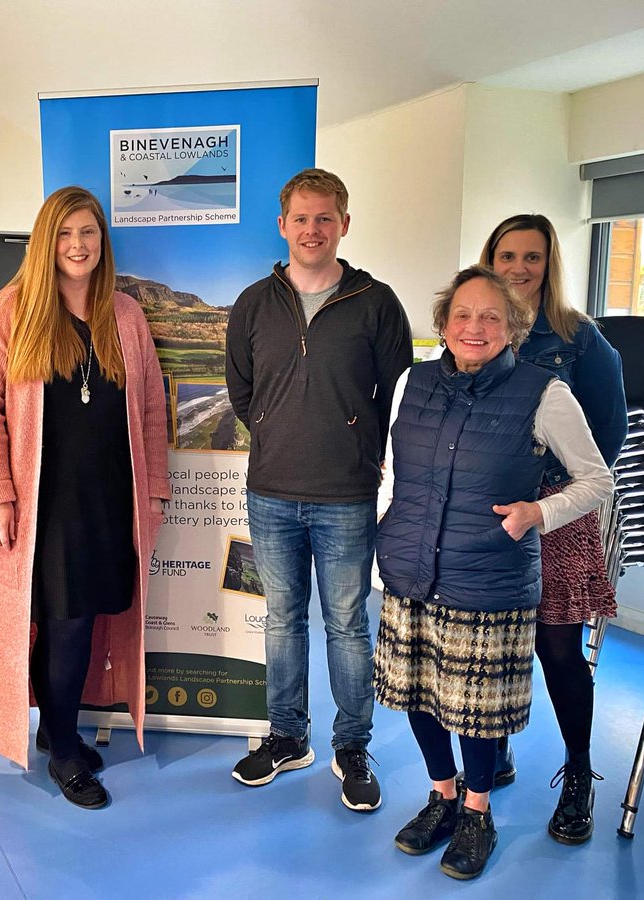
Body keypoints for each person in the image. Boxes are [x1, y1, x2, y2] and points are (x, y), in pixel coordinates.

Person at [374, 266, 613, 880]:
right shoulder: (412, 382)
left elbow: (597, 480)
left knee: (475, 708)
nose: (473, 327)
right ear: (443, 324)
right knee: (418, 693)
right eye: (462, 314)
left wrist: (539, 513)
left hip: (488, 574)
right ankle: (443, 797)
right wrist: (386, 531)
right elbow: (395, 471)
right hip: (409, 566)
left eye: (490, 317)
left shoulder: (544, 392)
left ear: (513, 327)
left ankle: (478, 813)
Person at [0, 185, 169, 810]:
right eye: (64, 233)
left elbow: (151, 409)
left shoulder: (124, 315)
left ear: (102, 240)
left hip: (110, 499)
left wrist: (154, 489)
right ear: (45, 241)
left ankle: (59, 731)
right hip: (44, 506)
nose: (77, 245)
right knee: (64, 623)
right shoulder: (13, 310)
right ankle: (63, 753)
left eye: (88, 232)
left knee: (91, 616)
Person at [225, 168, 412, 811]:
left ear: (344, 224)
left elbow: (398, 394)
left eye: (324, 218)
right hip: (271, 492)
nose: (312, 230)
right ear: (282, 225)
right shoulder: (254, 303)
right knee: (282, 620)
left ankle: (352, 746)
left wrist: (361, 447)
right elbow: (242, 391)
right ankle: (287, 737)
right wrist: (276, 431)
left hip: (346, 495)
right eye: (301, 219)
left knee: (347, 626)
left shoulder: (376, 302)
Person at [480, 214, 626, 843]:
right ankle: (494, 752)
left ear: (550, 263)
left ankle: (578, 775)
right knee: (493, 641)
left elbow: (608, 437)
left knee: (559, 649)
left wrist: (557, 495)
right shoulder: (479, 325)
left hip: (557, 515)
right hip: (491, 509)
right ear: (490, 261)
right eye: (507, 256)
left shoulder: (580, 339)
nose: (518, 268)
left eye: (532, 257)